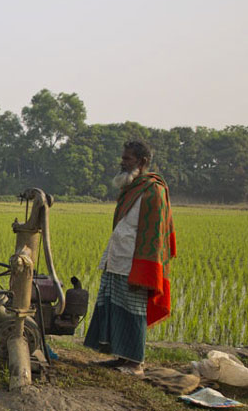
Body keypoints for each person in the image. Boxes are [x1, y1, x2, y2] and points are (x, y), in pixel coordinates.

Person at [83, 141, 176, 376]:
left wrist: (146, 270)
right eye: (123, 158)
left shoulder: (153, 190)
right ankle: (120, 357)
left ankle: (135, 364)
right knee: (114, 307)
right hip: (117, 258)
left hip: (137, 264)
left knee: (133, 311)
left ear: (142, 162)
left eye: (128, 159)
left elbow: (155, 234)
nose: (122, 162)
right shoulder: (132, 188)